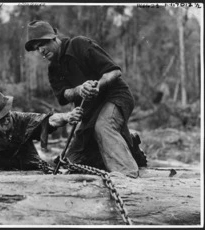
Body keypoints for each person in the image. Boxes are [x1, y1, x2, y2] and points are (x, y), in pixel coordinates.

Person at [25, 20, 147, 178]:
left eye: (43, 44)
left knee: (103, 126)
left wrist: (98, 85)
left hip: (115, 97)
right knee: (73, 159)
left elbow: (114, 72)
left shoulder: (79, 45)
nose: (41, 50)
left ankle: (128, 177)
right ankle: (130, 145)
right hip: (89, 110)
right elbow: (63, 96)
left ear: (54, 38)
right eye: (37, 48)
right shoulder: (53, 69)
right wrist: (79, 90)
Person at [0, 89, 83, 176]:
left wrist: (67, 116)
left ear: (9, 111)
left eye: (6, 117)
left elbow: (48, 120)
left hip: (32, 168)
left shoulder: (21, 119)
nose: (5, 122)